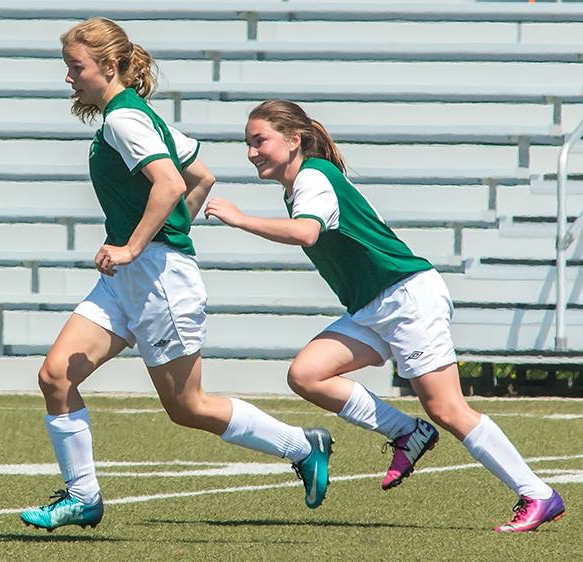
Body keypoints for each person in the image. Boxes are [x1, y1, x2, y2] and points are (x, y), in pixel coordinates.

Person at [20, 21, 333, 532]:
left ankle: (303, 446)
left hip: (158, 278)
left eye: (76, 67)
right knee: (56, 376)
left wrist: (137, 246)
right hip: (134, 278)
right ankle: (83, 497)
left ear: (110, 66)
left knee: (188, 407)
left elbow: (169, 183)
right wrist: (162, 238)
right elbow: (200, 176)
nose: (69, 77)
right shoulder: (128, 117)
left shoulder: (125, 120)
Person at [203, 99, 567, 533]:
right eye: (248, 143)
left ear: (294, 139)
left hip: (406, 298)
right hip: (375, 305)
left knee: (447, 409)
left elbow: (306, 231)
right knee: (307, 374)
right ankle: (406, 433)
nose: (251, 152)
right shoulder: (303, 181)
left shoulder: (314, 177)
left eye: (259, 140)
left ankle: (537, 493)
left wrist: (241, 219)